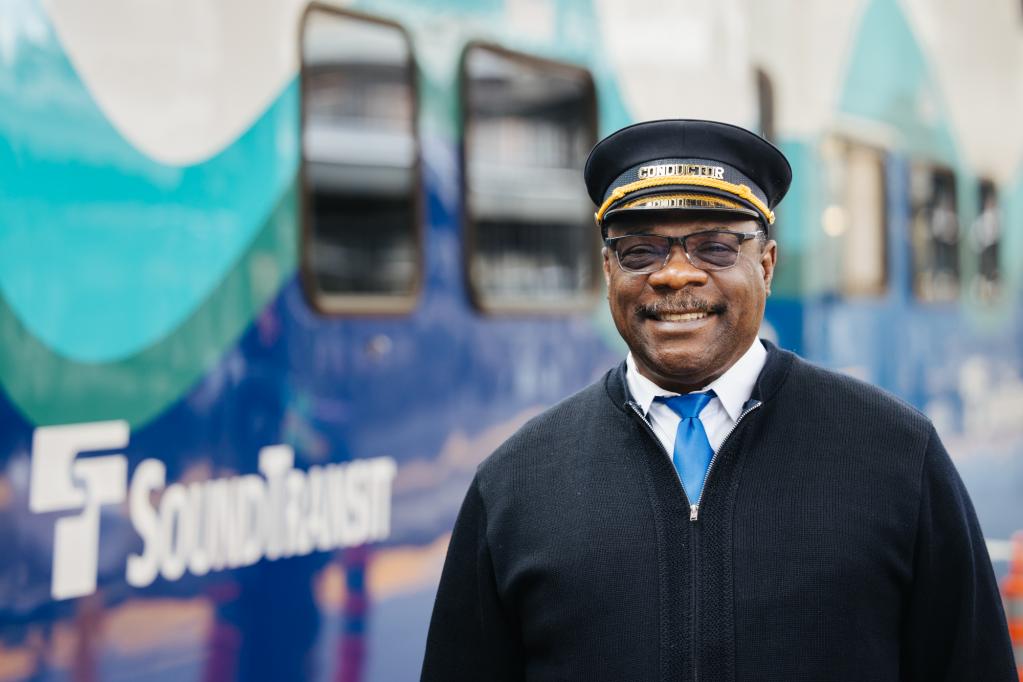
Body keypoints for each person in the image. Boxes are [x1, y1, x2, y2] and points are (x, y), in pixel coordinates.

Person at [421, 119, 1016, 681]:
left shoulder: (896, 457)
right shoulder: (514, 485)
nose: (676, 275)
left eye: (715, 248)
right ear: (608, 270)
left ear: (767, 263)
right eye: (640, 252)